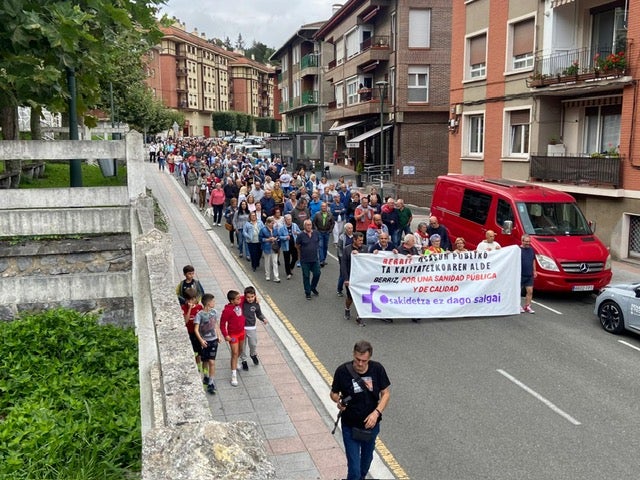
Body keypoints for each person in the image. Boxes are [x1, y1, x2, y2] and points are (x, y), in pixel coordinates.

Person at [330, 340, 391, 480]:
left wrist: (376, 413)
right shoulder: (342, 371)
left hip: (371, 427)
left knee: (365, 464)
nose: (360, 363)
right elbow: (333, 393)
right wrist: (338, 401)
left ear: (369, 358)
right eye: (357, 359)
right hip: (350, 426)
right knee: (354, 470)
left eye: (364, 360)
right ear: (353, 354)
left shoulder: (377, 369)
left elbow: (386, 394)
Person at [194, 293, 221, 395]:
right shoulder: (199, 315)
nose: (215, 303)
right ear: (208, 303)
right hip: (205, 341)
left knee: (212, 362)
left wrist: (218, 335)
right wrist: (201, 340)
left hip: (213, 340)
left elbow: (215, 325)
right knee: (204, 360)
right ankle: (205, 375)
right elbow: (196, 329)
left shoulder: (214, 312)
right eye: (213, 301)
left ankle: (211, 382)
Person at [220, 290, 246, 387]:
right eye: (237, 299)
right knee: (234, 353)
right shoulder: (227, 311)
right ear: (232, 301)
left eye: (239, 298)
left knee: (240, 350)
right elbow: (222, 324)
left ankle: (236, 362)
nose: (240, 299)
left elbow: (247, 295)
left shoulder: (241, 301)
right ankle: (234, 375)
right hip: (233, 335)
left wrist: (256, 298)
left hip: (242, 332)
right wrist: (225, 335)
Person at [239, 286, 268, 371]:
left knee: (253, 344)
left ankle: (253, 354)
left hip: (251, 327)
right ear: (245, 297)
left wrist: (263, 319)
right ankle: (244, 360)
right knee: (242, 346)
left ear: (255, 295)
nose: (250, 299)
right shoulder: (242, 302)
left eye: (252, 297)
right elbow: (238, 297)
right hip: (241, 328)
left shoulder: (256, 304)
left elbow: (259, 314)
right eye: (248, 297)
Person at [342, 232, 367, 326]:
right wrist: (346, 279)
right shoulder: (347, 250)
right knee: (350, 297)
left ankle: (359, 317)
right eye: (359, 240)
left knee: (361, 297)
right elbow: (343, 265)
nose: (361, 242)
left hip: (361, 278)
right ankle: (347, 309)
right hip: (351, 278)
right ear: (354, 240)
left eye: (362, 240)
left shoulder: (365, 248)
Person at [296, 219, 321, 300]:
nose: (309, 226)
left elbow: (317, 242)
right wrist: (300, 257)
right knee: (306, 276)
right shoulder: (300, 235)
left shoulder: (316, 233)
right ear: (304, 226)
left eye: (310, 225)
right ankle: (308, 292)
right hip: (305, 260)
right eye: (307, 225)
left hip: (314, 259)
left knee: (317, 274)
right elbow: (297, 245)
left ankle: (313, 287)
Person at [181, 288, 203, 374]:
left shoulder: (199, 307)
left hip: (197, 333)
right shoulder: (183, 308)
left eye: (193, 299)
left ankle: (198, 365)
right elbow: (185, 321)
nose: (192, 301)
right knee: (192, 351)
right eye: (189, 299)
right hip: (188, 332)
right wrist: (189, 309)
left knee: (198, 351)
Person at [312, 202, 335, 267]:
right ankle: (321, 260)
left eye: (325, 206)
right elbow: (314, 222)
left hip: (327, 232)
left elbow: (333, 223)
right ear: (320, 207)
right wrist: (316, 230)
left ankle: (324, 259)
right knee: (320, 246)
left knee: (325, 246)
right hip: (319, 231)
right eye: (322, 206)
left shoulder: (330, 214)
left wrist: (330, 230)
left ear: (327, 207)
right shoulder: (317, 214)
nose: (323, 208)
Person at [259, 216, 281, 283]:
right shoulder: (263, 230)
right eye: (271, 223)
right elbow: (260, 239)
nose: (272, 224)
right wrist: (268, 239)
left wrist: (275, 238)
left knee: (275, 262)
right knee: (267, 262)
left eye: (273, 223)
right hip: (267, 247)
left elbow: (278, 236)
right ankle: (267, 275)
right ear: (268, 223)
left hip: (274, 247)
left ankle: (276, 277)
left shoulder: (275, 229)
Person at [280, 214, 301, 280]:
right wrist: (285, 237)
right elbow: (279, 237)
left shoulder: (294, 225)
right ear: (285, 220)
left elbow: (299, 232)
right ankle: (288, 273)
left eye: (290, 219)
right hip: (286, 246)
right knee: (287, 260)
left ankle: (291, 267)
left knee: (295, 257)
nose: (289, 221)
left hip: (294, 245)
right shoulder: (282, 228)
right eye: (288, 219)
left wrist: (297, 233)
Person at [336, 222, 354, 297]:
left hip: (353, 259)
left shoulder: (355, 236)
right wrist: (341, 257)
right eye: (349, 228)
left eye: (351, 228)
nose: (350, 230)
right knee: (343, 274)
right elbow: (339, 248)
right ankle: (339, 289)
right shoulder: (342, 237)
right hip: (344, 258)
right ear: (345, 229)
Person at [520, 234, 537, 314]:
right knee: (518, 291)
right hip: (520, 274)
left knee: (530, 291)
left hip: (529, 274)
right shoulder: (518, 250)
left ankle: (527, 306)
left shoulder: (531, 250)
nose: (528, 243)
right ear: (522, 241)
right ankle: (518, 306)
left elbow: (533, 260)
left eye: (529, 241)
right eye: (526, 241)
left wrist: (534, 271)